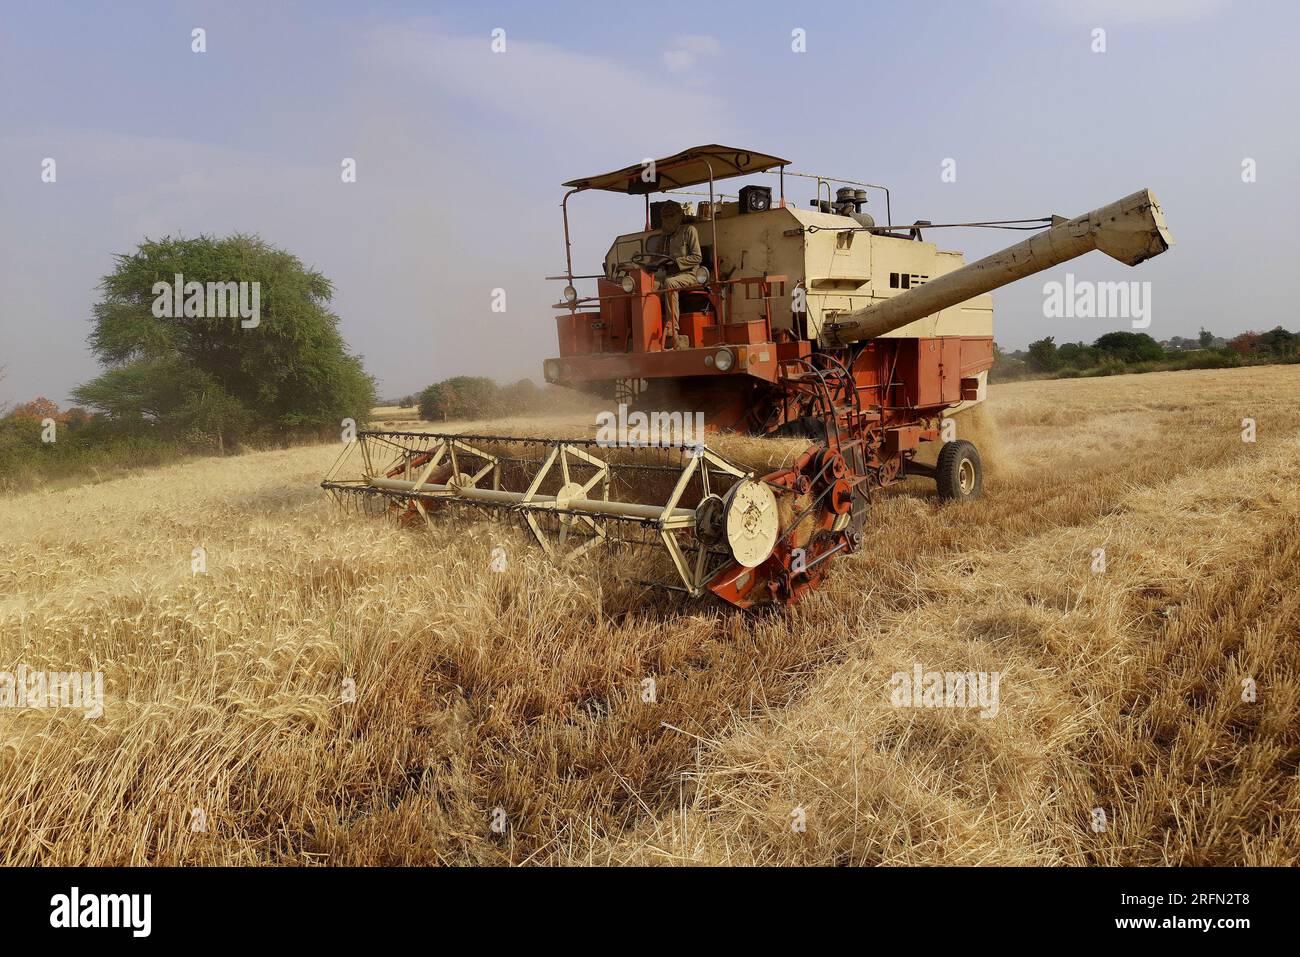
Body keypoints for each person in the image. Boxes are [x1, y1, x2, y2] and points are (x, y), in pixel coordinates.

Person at [647, 202, 701, 346]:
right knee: (648, 286)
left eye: (671, 215)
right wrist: (649, 265)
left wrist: (676, 262)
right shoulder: (663, 238)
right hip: (667, 276)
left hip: (690, 274)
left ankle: (672, 327)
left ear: (679, 216)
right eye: (665, 216)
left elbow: (697, 257)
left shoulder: (689, 231)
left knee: (670, 284)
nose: (668, 219)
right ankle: (648, 327)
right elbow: (654, 259)